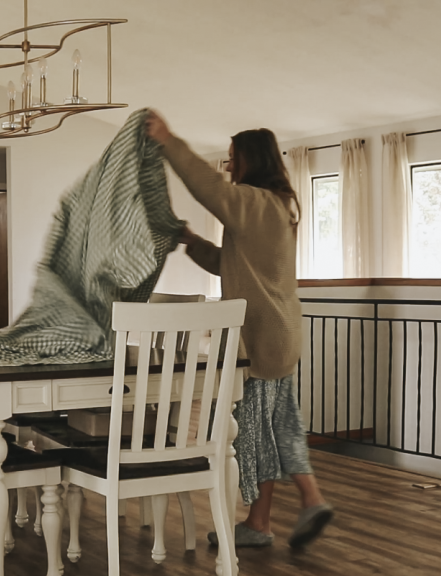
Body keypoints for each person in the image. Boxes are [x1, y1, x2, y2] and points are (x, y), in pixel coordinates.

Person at [145, 110, 333, 549]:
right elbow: (230, 264)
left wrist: (169, 140)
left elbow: (206, 188)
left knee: (254, 430)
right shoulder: (276, 207)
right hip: (281, 334)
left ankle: (282, 510)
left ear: (250, 159)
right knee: (277, 425)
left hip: (259, 338)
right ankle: (280, 511)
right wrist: (193, 244)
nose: (228, 167)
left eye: (232, 158)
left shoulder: (252, 202)